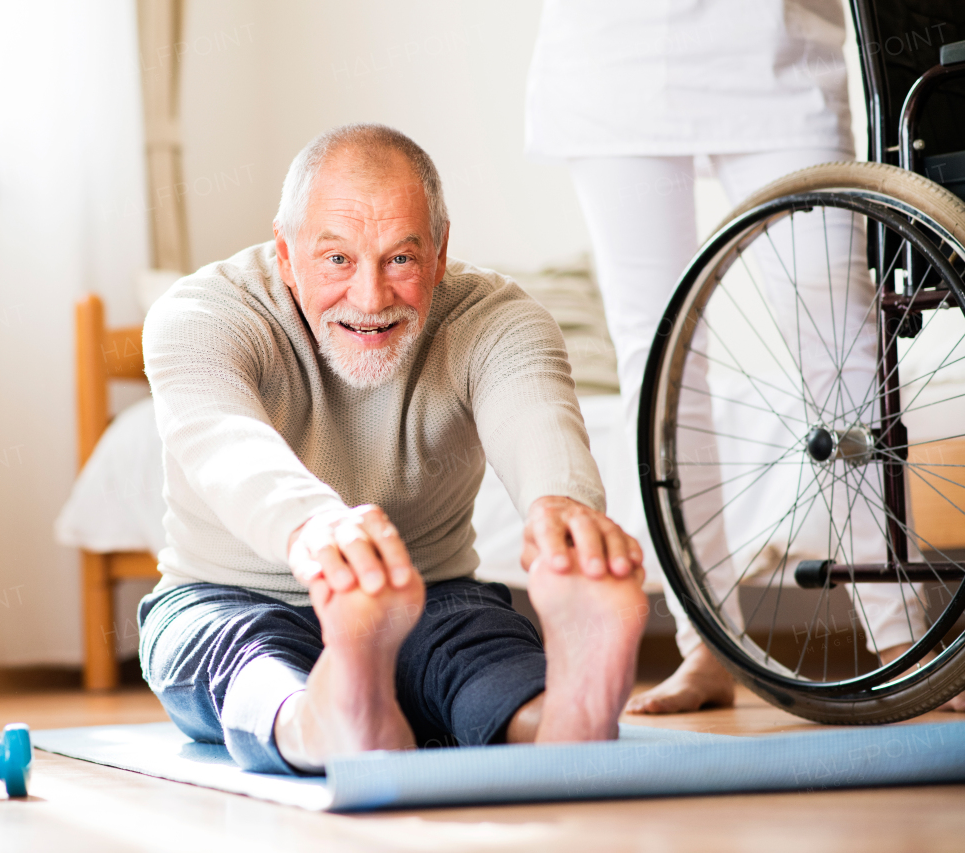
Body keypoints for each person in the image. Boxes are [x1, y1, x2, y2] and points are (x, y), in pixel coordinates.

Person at [138, 123, 648, 774]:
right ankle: (324, 718)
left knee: (477, 650)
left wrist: (564, 515)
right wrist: (317, 530)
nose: (371, 298)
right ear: (286, 253)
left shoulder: (497, 317)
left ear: (439, 253)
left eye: (400, 259)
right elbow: (224, 444)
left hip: (431, 595)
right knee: (246, 661)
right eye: (338, 259)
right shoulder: (199, 313)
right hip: (228, 594)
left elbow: (536, 413)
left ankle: (564, 719)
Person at [525, 0, 949, 713]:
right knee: (659, 359)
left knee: (843, 346)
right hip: (612, 56)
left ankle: (903, 640)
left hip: (776, 45)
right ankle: (705, 646)